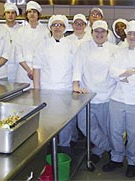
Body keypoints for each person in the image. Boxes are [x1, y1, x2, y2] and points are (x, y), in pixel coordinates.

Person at [102, 21, 135, 178]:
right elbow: (112, 71)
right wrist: (130, 72)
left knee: (134, 133)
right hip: (118, 97)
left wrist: (122, 75)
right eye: (129, 33)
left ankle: (132, 161)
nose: (132, 36)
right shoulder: (119, 51)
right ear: (126, 35)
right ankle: (116, 158)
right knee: (115, 131)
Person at [73, 20, 118, 163]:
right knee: (84, 125)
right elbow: (77, 67)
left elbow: (118, 71)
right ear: (91, 33)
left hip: (108, 94)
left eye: (102, 31)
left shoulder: (114, 49)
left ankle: (98, 151)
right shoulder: (84, 47)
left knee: (105, 127)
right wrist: (76, 84)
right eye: (96, 31)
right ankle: (110, 147)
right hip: (87, 94)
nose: (99, 34)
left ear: (107, 33)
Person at [33, 15, 77, 147]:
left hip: (65, 88)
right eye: (55, 25)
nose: (57, 27)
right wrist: (36, 89)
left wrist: (75, 86)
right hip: (47, 88)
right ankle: (47, 146)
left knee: (65, 120)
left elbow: (77, 67)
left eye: (60, 25)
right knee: (47, 120)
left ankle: (64, 146)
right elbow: (37, 67)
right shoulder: (43, 44)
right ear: (50, 27)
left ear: (65, 28)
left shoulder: (71, 45)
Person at [15, 1, 50, 87]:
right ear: (26, 15)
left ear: (38, 15)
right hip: (23, 70)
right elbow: (18, 53)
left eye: (34, 12)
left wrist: (35, 70)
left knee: (38, 96)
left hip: (40, 69)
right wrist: (28, 70)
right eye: (29, 12)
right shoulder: (20, 31)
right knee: (23, 98)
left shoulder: (45, 31)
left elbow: (47, 52)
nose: (32, 14)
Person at [3, 3, 21, 82]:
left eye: (13, 13)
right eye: (8, 12)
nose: (10, 15)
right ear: (4, 15)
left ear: (16, 15)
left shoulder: (21, 30)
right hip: (2, 67)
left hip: (17, 66)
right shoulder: (0, 29)